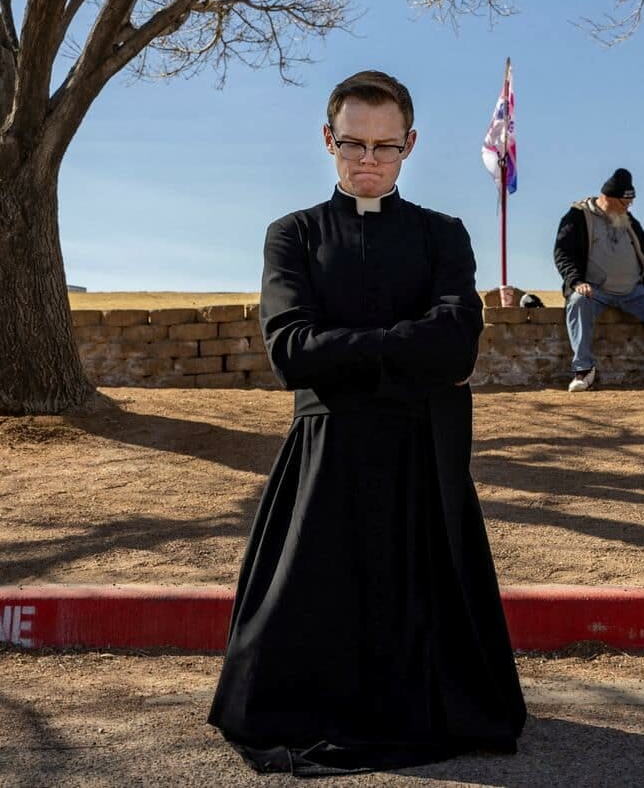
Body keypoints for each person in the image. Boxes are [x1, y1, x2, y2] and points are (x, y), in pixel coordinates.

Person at [208, 70, 526, 775]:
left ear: (410, 145)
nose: (369, 160)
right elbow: (291, 352)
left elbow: (457, 345)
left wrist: (350, 347)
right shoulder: (291, 235)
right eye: (353, 144)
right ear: (328, 140)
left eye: (386, 146)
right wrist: (406, 344)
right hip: (327, 455)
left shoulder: (444, 235)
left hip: (423, 455)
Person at [553, 168, 644, 392]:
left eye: (630, 204)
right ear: (607, 198)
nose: (626, 208)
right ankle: (583, 371)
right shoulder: (577, 216)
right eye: (623, 203)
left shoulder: (629, 221)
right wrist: (576, 282)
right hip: (595, 291)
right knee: (578, 301)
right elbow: (563, 254)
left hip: (634, 292)